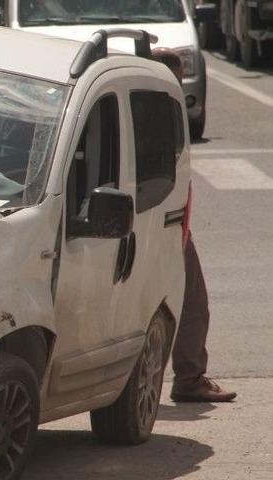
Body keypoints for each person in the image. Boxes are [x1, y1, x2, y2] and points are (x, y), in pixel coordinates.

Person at [151, 48, 237, 402]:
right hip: (163, 223)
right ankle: (188, 378)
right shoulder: (159, 113)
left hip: (158, 220)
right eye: (177, 75)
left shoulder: (150, 107)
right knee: (191, 303)